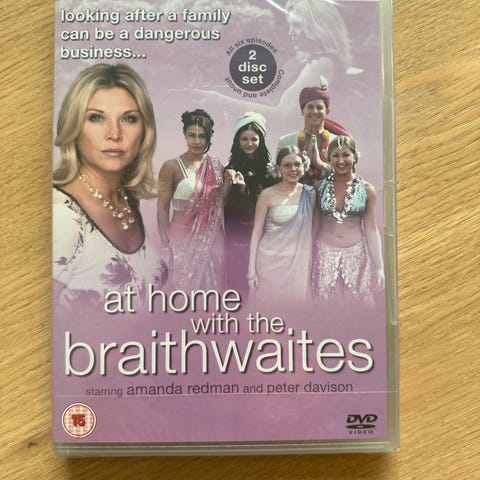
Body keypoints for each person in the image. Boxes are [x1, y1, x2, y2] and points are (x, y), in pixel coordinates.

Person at [52, 63, 167, 313]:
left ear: (145, 130)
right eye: (96, 117)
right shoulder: (61, 216)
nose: (114, 134)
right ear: (73, 126)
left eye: (129, 119)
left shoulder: (127, 199)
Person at [156, 109, 236, 291]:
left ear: (209, 137)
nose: (197, 141)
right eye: (192, 135)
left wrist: (228, 184)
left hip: (212, 238)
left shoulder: (216, 166)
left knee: (213, 290)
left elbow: (219, 205)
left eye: (202, 136)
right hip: (180, 237)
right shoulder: (171, 166)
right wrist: (164, 240)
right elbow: (162, 207)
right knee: (181, 291)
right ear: (185, 134)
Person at [311, 136, 384, 305]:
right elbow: (313, 226)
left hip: (356, 257)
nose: (341, 161)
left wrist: (379, 267)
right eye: (335, 155)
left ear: (355, 157)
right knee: (326, 310)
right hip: (323, 256)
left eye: (345, 155)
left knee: (360, 309)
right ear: (329, 159)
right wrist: (306, 258)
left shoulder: (367, 190)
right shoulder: (319, 187)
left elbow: (371, 229)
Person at [247, 145, 315, 309]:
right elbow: (256, 233)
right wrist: (251, 269)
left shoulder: (310, 194)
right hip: (269, 264)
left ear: (304, 166)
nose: (293, 169)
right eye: (287, 165)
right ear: (278, 168)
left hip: (298, 265)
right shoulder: (267, 195)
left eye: (297, 164)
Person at [224, 112, 274, 297]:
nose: (249, 143)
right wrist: (237, 187)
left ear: (261, 140)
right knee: (238, 278)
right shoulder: (230, 169)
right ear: (237, 141)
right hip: (238, 234)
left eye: (254, 139)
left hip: (264, 235)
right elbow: (225, 205)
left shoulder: (271, 169)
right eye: (244, 139)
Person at [277, 80, 349, 185]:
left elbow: (346, 175)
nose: (315, 111)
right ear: (302, 111)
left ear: (327, 112)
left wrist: (320, 164)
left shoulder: (338, 142)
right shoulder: (286, 142)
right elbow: (279, 176)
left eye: (319, 107)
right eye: (310, 107)